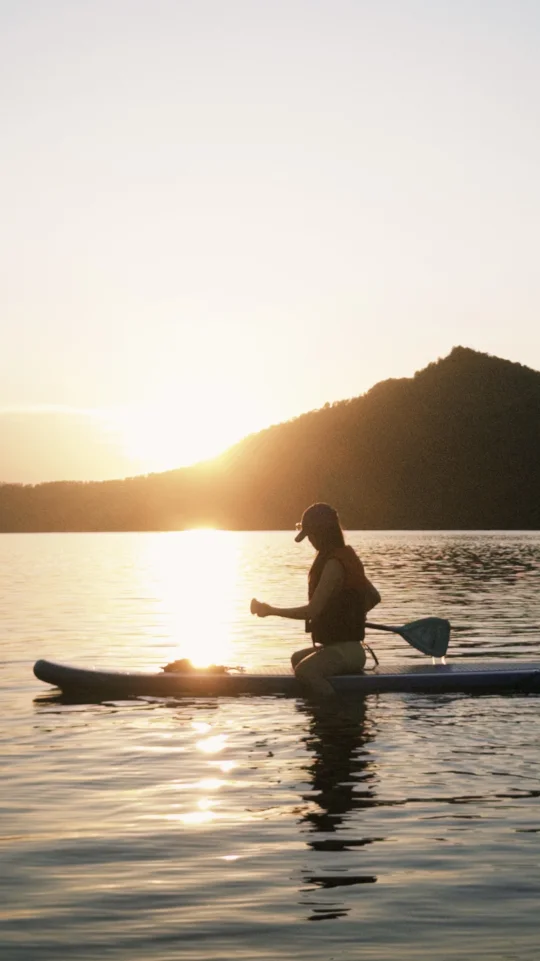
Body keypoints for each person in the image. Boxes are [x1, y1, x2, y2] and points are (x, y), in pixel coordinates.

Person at [250, 503, 381, 697]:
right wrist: (348, 614)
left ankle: (333, 713)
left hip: (348, 651)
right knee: (297, 659)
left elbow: (311, 612)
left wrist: (271, 610)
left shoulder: (334, 564)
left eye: (311, 534)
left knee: (306, 671)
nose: (310, 540)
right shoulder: (344, 557)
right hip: (343, 648)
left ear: (323, 532)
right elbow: (373, 597)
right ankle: (342, 693)